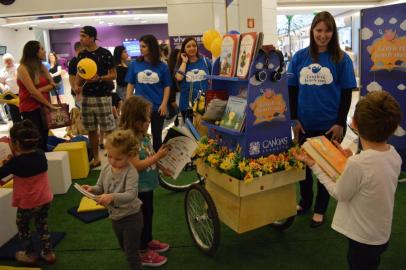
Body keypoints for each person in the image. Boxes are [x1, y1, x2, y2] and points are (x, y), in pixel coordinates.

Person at [294, 91, 402, 270]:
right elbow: (372, 173)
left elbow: (339, 193)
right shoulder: (393, 155)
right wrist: (351, 157)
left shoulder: (358, 164)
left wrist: (314, 165)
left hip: (362, 238)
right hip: (381, 234)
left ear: (354, 124)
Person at [288, 11, 356, 227]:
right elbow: (291, 90)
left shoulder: (341, 59)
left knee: (327, 169)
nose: (323, 35)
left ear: (333, 32)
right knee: (305, 169)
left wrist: (339, 123)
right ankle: (305, 202)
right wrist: (294, 120)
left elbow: (347, 93)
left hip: (330, 126)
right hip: (304, 124)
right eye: (319, 30)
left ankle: (320, 209)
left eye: (328, 30)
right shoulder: (299, 57)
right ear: (312, 31)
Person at [81, 129, 143, 270]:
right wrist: (91, 189)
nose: (112, 161)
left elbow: (131, 195)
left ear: (129, 156)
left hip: (132, 217)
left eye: (118, 158)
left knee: (131, 253)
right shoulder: (107, 168)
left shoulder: (131, 172)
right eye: (109, 156)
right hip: (115, 218)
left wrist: (111, 197)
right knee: (124, 247)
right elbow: (100, 187)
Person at [120, 96, 169, 267]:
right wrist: (158, 156)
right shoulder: (129, 139)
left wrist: (162, 167)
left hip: (147, 187)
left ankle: (147, 241)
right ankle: (141, 252)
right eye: (146, 118)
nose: (149, 120)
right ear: (135, 119)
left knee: (148, 215)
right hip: (137, 189)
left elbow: (149, 155)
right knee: (139, 221)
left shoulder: (143, 135)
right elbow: (136, 165)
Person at [0, 120, 55, 265]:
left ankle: (30, 254)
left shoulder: (15, 162)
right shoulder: (41, 154)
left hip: (27, 204)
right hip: (45, 199)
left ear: (16, 143)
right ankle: (48, 253)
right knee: (42, 224)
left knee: (23, 227)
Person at [75, 26, 117, 168]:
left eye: (84, 36)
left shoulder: (105, 53)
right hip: (86, 97)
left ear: (92, 37)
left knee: (109, 129)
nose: (81, 39)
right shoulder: (81, 55)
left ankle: (115, 156)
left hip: (103, 96)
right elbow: (79, 74)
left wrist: (99, 78)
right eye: (80, 36)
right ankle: (96, 158)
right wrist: (77, 86)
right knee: (91, 130)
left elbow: (113, 74)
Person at [125, 34, 171, 152]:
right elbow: (130, 84)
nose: (141, 49)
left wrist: (164, 104)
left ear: (152, 47)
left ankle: (157, 162)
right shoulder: (134, 64)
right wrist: (127, 103)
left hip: (157, 107)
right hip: (139, 108)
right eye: (140, 46)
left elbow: (167, 86)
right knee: (138, 136)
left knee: (157, 137)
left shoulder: (162, 66)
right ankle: (141, 162)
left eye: (144, 46)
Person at [17, 40, 58, 151]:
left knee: (44, 137)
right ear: (33, 52)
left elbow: (52, 84)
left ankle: (45, 162)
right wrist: (49, 105)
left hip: (42, 107)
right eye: (42, 49)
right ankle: (39, 164)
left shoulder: (41, 66)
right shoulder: (22, 68)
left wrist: (39, 90)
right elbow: (32, 92)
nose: (44, 51)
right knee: (36, 139)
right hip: (30, 109)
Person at [174, 37, 212, 123]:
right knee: (191, 134)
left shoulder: (205, 61)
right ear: (184, 49)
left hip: (204, 105)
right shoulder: (181, 63)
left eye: (194, 46)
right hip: (187, 106)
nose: (192, 48)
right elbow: (179, 77)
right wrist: (184, 61)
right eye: (188, 46)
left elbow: (212, 78)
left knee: (203, 132)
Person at [0, 53, 21, 123]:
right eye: (6, 61)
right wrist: (4, 88)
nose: (8, 62)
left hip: (20, 92)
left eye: (9, 60)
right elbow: (1, 82)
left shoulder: (18, 67)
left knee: (23, 109)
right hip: (10, 94)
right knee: (13, 111)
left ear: (12, 60)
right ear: (4, 62)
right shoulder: (2, 71)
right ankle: (17, 125)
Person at [166, 46, 180, 122]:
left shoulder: (179, 67)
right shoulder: (171, 69)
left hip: (178, 96)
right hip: (174, 97)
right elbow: (170, 86)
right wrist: (172, 100)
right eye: (179, 54)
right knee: (174, 119)